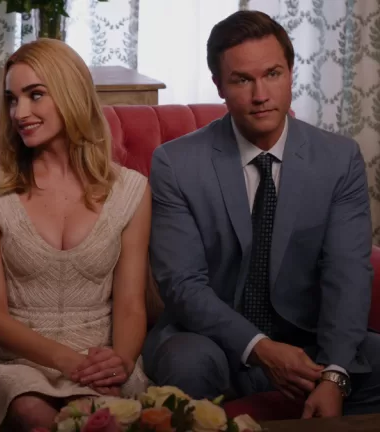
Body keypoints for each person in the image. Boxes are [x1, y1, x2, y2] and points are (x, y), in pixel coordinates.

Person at [144, 10, 380, 418]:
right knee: (187, 363)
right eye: (242, 80)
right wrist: (261, 349)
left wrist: (335, 375)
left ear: (291, 72)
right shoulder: (176, 164)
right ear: (219, 85)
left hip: (307, 341)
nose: (260, 95)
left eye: (272, 74)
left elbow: (348, 274)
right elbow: (182, 285)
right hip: (210, 340)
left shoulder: (338, 159)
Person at [0, 38, 152, 432]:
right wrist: (68, 361)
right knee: (35, 412)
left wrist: (121, 360)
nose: (20, 113)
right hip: (19, 362)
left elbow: (131, 304)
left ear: (71, 94)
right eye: (12, 99)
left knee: (96, 415)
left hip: (99, 358)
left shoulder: (131, 189)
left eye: (35, 95)